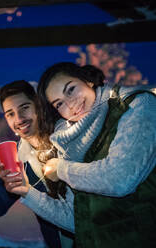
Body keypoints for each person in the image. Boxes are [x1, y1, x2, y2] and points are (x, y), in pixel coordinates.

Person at [35, 62, 156, 247]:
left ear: (88, 80)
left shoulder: (136, 106)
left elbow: (120, 178)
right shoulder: (69, 142)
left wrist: (61, 168)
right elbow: (77, 220)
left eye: (71, 89)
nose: (70, 104)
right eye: (59, 103)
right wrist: (24, 192)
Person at [0, 80, 72, 248]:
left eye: (24, 108)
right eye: (10, 114)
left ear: (38, 105)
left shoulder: (66, 139)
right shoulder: (18, 160)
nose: (19, 118)